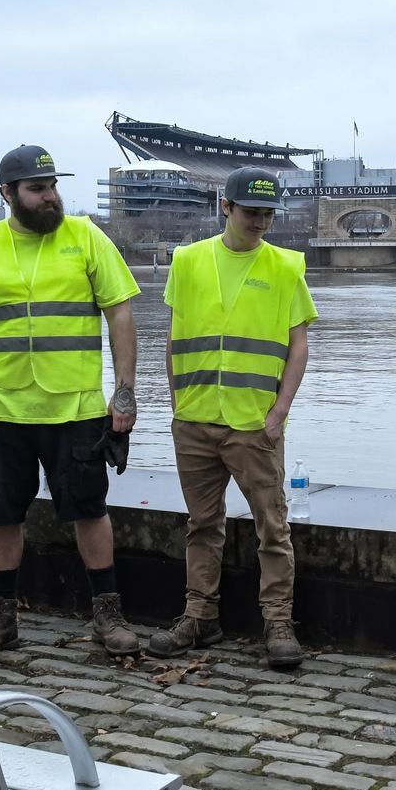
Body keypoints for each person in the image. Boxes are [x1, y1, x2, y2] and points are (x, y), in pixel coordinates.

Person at [0, 144, 142, 658]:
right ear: (7, 193)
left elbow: (120, 315)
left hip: (75, 406)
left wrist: (124, 393)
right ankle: (1, 617)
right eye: (37, 188)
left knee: (89, 509)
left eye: (53, 185)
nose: (50, 196)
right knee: (0, 512)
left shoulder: (86, 237)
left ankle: (107, 613)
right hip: (0, 407)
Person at [145, 167, 316, 669]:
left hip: (253, 420)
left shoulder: (286, 267)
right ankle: (200, 615)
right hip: (195, 417)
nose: (261, 221)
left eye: (267, 213)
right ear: (226, 207)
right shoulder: (189, 260)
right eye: (251, 211)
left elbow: (298, 344)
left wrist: (279, 412)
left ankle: (278, 622)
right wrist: (177, 405)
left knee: (272, 526)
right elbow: (175, 338)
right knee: (202, 523)